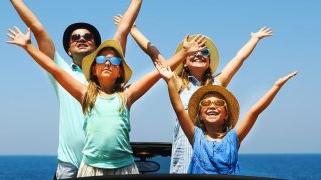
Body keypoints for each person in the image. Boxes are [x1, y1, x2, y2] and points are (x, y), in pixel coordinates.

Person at [6, 24, 205, 176]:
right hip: (90, 168)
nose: (108, 62)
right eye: (101, 59)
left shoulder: (126, 95)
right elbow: (55, 69)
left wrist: (184, 53)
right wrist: (28, 47)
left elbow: (159, 72)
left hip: (125, 168)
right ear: (94, 68)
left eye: (114, 60)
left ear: (120, 71)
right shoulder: (85, 94)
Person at [115, 16, 273, 173]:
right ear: (184, 61)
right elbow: (153, 53)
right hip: (184, 158)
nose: (199, 54)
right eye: (193, 52)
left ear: (209, 61)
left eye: (204, 51)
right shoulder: (177, 83)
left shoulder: (217, 83)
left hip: (213, 162)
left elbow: (240, 58)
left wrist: (254, 39)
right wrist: (133, 30)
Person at [9, 0, 142, 178]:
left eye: (88, 37)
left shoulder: (108, 71)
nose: (81, 39)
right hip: (70, 164)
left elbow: (123, 28)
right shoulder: (60, 70)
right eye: (75, 37)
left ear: (97, 48)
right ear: (69, 50)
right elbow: (37, 28)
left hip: (106, 164)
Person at [156, 62, 297, 174]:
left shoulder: (233, 138)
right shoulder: (195, 136)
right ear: (199, 116)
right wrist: (170, 81)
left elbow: (254, 112)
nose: (212, 106)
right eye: (205, 104)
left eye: (218, 103)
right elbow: (180, 109)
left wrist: (276, 86)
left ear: (226, 115)